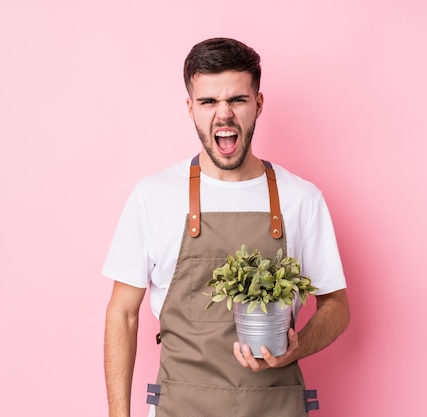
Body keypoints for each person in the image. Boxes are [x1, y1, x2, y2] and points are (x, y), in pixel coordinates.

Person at [103, 37, 350, 417]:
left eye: (237, 99)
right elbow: (123, 313)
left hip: (274, 406)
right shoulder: (152, 197)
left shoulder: (302, 198)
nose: (224, 114)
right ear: (190, 108)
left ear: (258, 104)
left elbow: (336, 306)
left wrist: (296, 349)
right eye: (208, 101)